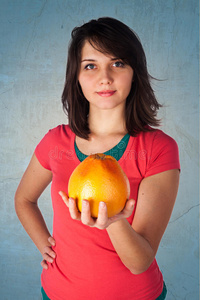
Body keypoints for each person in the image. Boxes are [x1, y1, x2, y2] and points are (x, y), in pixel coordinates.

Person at [15, 17, 180, 300]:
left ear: (134, 72)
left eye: (118, 63)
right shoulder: (55, 141)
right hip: (57, 292)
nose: (105, 77)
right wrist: (45, 245)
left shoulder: (159, 148)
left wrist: (114, 221)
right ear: (76, 76)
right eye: (90, 65)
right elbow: (24, 200)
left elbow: (139, 261)